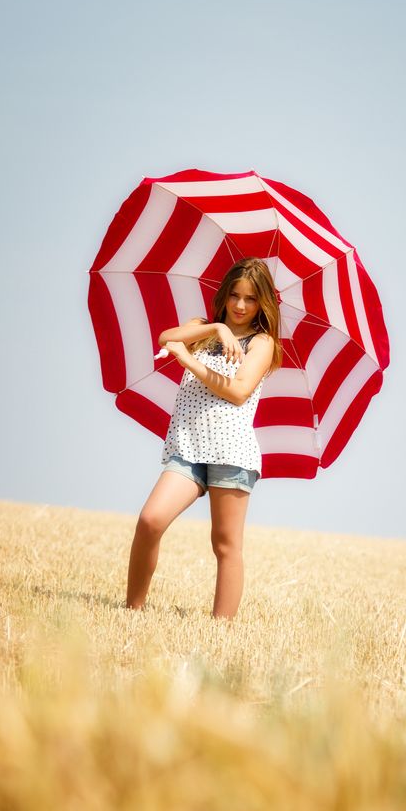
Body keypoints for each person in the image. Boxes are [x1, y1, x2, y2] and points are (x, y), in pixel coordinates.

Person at [125, 257, 283, 619]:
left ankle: (220, 629)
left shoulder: (262, 343)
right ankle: (132, 610)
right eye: (235, 295)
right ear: (225, 294)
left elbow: (240, 391)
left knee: (225, 545)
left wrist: (191, 362)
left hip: (232, 452)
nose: (241, 306)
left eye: (251, 299)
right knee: (150, 520)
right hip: (188, 447)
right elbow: (167, 338)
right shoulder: (201, 328)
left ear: (263, 304)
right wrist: (216, 328)